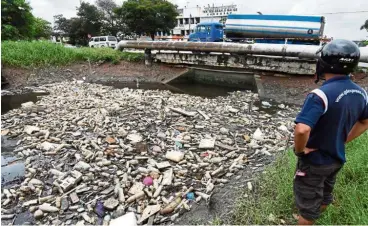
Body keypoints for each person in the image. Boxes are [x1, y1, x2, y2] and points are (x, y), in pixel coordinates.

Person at [293, 39, 368, 225]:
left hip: (315, 161)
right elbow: (365, 121)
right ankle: (315, 214)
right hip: (337, 158)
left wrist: (300, 151)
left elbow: (302, 130)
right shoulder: (361, 93)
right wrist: (343, 140)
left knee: (308, 204)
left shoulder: (320, 95)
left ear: (323, 64)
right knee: (325, 192)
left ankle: (307, 219)